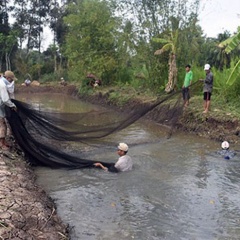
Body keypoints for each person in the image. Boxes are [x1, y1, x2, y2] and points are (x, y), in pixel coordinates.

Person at [0, 76, 17, 150]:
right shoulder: (2, 85)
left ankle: (3, 142)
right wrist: (13, 105)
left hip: (1, 107)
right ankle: (1, 143)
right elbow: (5, 100)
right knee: (2, 125)